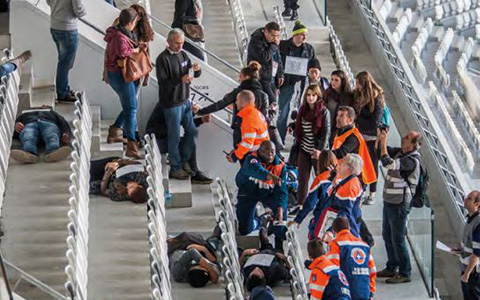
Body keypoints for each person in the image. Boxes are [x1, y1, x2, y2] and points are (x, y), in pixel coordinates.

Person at [376, 129, 422, 284]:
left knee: (398, 238)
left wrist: (383, 143)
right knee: (387, 234)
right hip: (390, 200)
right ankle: (392, 266)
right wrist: (380, 138)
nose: (403, 138)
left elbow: (387, 163)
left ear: (414, 144)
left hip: (400, 204)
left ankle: (404, 271)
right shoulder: (400, 153)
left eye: (407, 138)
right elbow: (381, 153)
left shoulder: (411, 161)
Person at [105, 4, 154, 145]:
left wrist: (147, 74)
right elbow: (113, 51)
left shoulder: (142, 31)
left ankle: (120, 131)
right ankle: (129, 137)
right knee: (131, 107)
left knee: (131, 106)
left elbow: (146, 54)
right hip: (125, 72)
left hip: (137, 70)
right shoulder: (119, 31)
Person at [156, 29, 201, 179]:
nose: (179, 46)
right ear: (168, 42)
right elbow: (163, 83)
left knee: (192, 132)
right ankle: (175, 167)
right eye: (176, 43)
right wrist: (179, 80)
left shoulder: (183, 54)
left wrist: (197, 70)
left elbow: (189, 73)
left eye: (182, 43)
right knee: (174, 137)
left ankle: (183, 160)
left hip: (185, 101)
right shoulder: (162, 59)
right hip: (171, 104)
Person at [197, 61, 268, 148]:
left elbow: (221, 104)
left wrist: (201, 111)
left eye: (240, 77)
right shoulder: (264, 95)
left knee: (241, 156)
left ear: (246, 77)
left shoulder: (238, 92)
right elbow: (265, 117)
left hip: (240, 130)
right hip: (258, 133)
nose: (239, 79)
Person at [235, 141, 288, 250]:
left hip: (267, 194)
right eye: (266, 152)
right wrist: (270, 176)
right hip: (247, 192)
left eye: (272, 152)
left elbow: (282, 191)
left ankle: (279, 244)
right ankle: (261, 220)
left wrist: (280, 207)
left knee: (282, 210)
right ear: (260, 151)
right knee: (244, 230)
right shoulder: (251, 159)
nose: (270, 155)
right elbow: (257, 170)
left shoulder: (281, 166)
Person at [145, 101, 213, 184]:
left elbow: (185, 124)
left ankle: (193, 170)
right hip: (157, 141)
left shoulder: (182, 102)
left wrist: (200, 120)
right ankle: (186, 168)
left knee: (191, 138)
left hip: (165, 138)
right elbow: (176, 124)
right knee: (182, 140)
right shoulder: (168, 103)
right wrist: (192, 113)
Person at [277, 20, 316, 144]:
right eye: (302, 34)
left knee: (300, 114)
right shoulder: (283, 46)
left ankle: (297, 142)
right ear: (294, 35)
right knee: (282, 114)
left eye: (306, 35)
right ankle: (279, 141)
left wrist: (316, 69)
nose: (304, 37)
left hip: (302, 85)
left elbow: (313, 61)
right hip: (286, 84)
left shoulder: (309, 48)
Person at [292, 84, 330, 209]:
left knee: (320, 178)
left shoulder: (324, 112)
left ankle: (322, 203)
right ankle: (300, 204)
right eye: (308, 95)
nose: (310, 98)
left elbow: (326, 132)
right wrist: (292, 126)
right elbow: (299, 126)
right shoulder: (303, 110)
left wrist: (320, 151)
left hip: (316, 151)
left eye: (313, 95)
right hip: (303, 148)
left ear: (318, 96)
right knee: (302, 179)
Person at [353, 71, 384, 205]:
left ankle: (372, 193)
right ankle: (362, 189)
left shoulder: (377, 98)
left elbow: (375, 122)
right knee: (361, 164)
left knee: (372, 165)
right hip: (360, 136)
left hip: (371, 137)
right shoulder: (359, 95)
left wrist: (359, 122)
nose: (357, 86)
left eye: (358, 83)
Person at [327, 217, 376, 300]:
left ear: (335, 231)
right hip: (364, 292)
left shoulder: (335, 244)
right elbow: (372, 271)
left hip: (345, 292)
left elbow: (332, 270)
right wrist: (370, 293)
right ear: (349, 228)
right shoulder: (365, 245)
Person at [46, 0, 85, 103]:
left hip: (55, 26)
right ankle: (62, 93)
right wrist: (83, 12)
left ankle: (64, 89)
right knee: (65, 64)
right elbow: (79, 10)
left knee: (63, 61)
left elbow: (48, 1)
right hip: (68, 29)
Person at [288, 150, 336, 225]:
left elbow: (310, 203)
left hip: (322, 217)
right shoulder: (341, 177)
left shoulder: (320, 180)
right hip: (338, 217)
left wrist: (298, 219)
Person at [332, 106, 376, 186]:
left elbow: (341, 153)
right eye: (338, 115)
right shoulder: (342, 131)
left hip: (355, 180)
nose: (337, 118)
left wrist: (324, 154)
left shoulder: (353, 136)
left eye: (341, 116)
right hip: (346, 174)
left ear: (350, 120)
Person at [226, 90, 269, 164]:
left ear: (242, 103)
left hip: (255, 155)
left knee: (243, 175)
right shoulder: (256, 113)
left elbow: (248, 144)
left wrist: (235, 155)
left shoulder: (248, 119)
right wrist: (238, 150)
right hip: (261, 151)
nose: (236, 103)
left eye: (237, 101)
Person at [452, 191, 480, 300]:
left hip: (473, 273)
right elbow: (469, 245)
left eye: (469, 199)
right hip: (467, 269)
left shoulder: (478, 223)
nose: (465, 200)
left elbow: (477, 253)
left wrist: (467, 274)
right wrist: (459, 250)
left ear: (477, 204)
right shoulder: (469, 218)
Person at [247, 22, 284, 105]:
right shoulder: (256, 40)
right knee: (270, 103)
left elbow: (277, 58)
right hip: (260, 78)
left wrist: (280, 73)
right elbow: (264, 57)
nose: (275, 38)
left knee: (273, 103)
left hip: (272, 77)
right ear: (266, 32)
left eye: (277, 36)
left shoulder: (273, 43)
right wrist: (274, 45)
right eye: (273, 35)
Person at [323, 70, 354, 140]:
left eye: (336, 80)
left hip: (342, 128)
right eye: (332, 79)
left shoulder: (348, 96)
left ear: (342, 82)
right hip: (327, 125)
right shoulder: (327, 93)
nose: (333, 82)